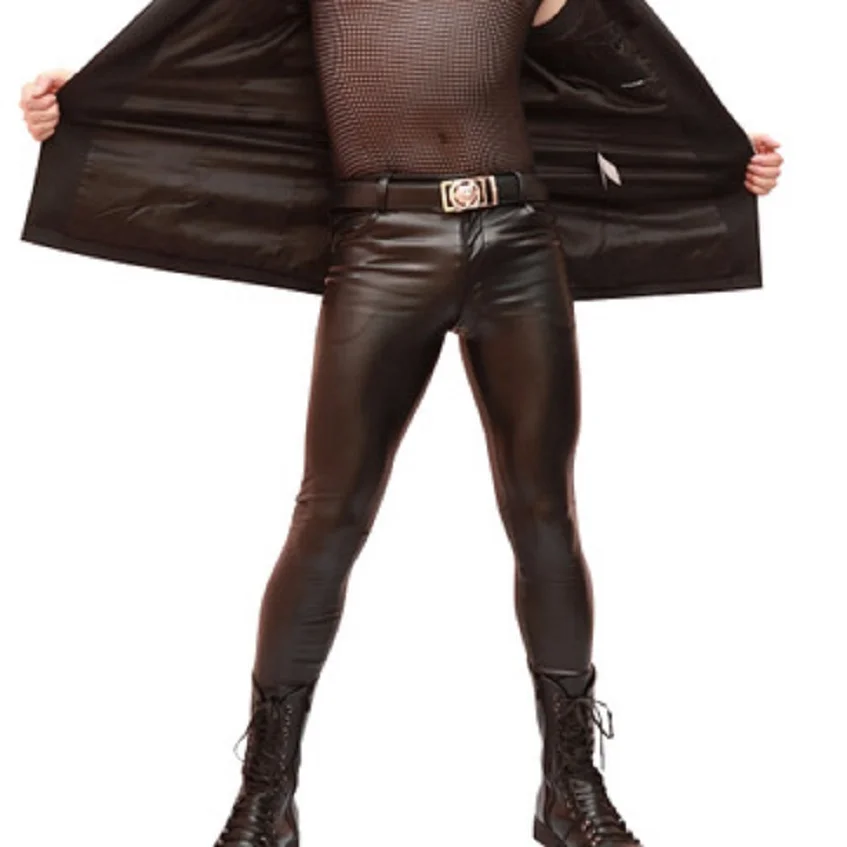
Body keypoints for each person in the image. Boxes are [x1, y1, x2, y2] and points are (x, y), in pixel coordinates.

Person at [18, 1, 783, 845]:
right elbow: (202, 42)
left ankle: (570, 789)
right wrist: (81, 98)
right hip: (382, 247)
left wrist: (725, 154)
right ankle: (266, 796)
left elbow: (625, 73)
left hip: (519, 244)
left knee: (544, 514)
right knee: (329, 514)